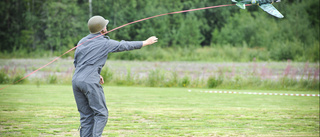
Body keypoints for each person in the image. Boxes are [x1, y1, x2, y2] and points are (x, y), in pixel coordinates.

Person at [72, 15, 158, 137]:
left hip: (76, 81)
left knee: (86, 116)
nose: (107, 27)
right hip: (89, 81)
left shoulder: (82, 41)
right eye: (105, 26)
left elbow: (77, 62)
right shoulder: (104, 43)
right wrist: (145, 42)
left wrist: (95, 74)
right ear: (102, 30)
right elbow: (124, 45)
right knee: (101, 114)